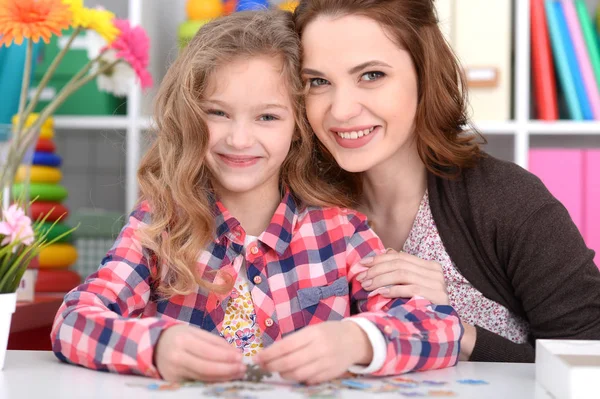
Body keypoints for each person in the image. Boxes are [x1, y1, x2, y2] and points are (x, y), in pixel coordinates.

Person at [51, 9, 462, 384]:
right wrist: (156, 347)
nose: (240, 139)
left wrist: (356, 340)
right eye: (218, 113)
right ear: (190, 116)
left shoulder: (341, 232)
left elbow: (440, 327)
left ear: (298, 126)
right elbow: (72, 322)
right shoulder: (159, 226)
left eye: (268, 117)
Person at [293, 0, 600, 363]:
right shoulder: (296, 209)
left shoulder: (508, 203)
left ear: (425, 74)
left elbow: (588, 363)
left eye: (371, 75)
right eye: (318, 81)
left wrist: (455, 331)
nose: (341, 109)